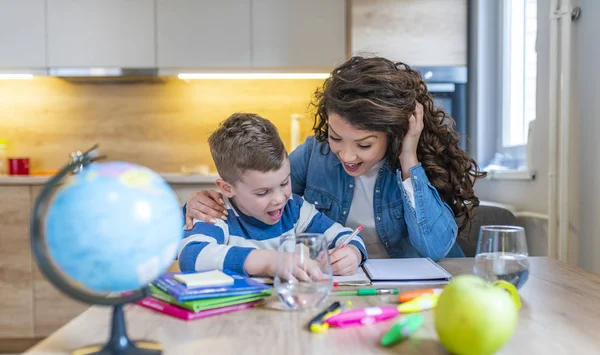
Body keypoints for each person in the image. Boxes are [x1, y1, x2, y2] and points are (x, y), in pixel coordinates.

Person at [184, 56, 486, 262]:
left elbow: (434, 249)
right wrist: (197, 205)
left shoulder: (413, 162)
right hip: (345, 286)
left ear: (392, 134)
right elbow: (261, 191)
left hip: (415, 290)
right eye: (336, 137)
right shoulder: (315, 155)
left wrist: (409, 157)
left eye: (364, 144)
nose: (347, 155)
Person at [179, 113, 367, 279]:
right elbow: (191, 256)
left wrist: (353, 253)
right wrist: (269, 262)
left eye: (285, 183)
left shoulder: (295, 209)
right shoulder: (216, 212)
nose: (279, 198)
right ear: (227, 188)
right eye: (262, 192)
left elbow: (347, 236)